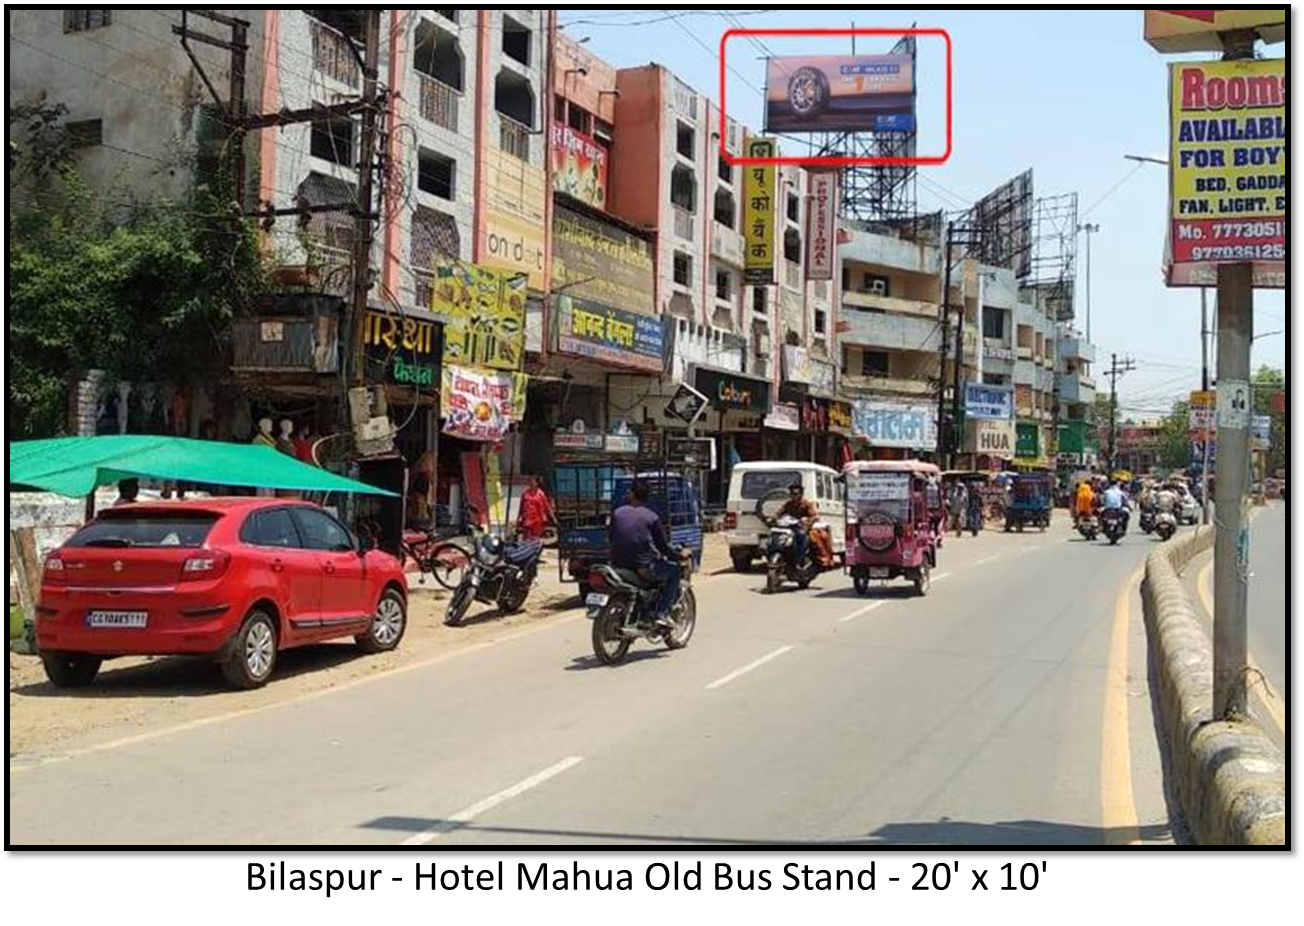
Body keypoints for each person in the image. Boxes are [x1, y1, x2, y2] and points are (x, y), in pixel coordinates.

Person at [609, 480, 681, 630]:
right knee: (675, 571)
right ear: (648, 497)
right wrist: (678, 557)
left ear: (631, 494)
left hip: (617, 564)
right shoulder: (652, 517)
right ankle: (661, 613)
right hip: (641, 568)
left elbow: (611, 536)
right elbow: (662, 547)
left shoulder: (618, 512)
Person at [777, 481, 818, 565]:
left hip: (801, 528)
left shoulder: (807, 504)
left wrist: (807, 521)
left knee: (801, 536)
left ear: (800, 494)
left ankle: (799, 559)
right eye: (792, 493)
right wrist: (773, 518)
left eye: (795, 493)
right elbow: (779, 513)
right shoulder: (788, 504)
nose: (793, 496)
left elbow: (814, 516)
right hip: (789, 527)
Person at [516, 475, 557, 542]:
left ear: (537, 483)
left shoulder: (541, 494)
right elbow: (521, 508)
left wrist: (553, 518)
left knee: (535, 539)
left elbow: (547, 507)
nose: (531, 483)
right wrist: (518, 519)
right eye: (529, 481)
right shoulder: (525, 494)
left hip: (537, 522)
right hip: (527, 521)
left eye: (532, 481)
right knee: (526, 539)